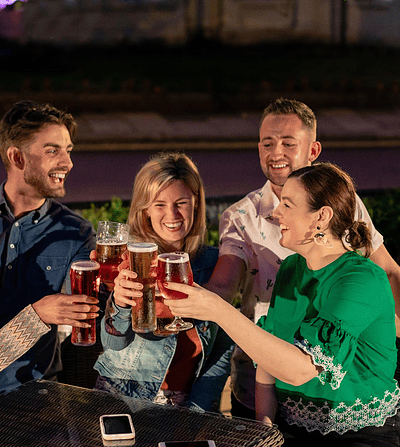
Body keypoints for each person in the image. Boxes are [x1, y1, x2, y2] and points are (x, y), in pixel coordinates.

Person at [166, 163, 400, 447]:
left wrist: (218, 310)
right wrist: (265, 434)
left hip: (365, 440)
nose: (276, 214)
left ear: (321, 218)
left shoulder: (361, 279)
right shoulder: (291, 269)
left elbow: (300, 368)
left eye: (287, 205)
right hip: (294, 435)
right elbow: (268, 365)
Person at [208, 97, 400, 417]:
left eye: (288, 143)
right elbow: (224, 285)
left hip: (331, 389)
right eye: (267, 143)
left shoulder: (344, 205)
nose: (275, 153)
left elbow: (386, 272)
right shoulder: (242, 218)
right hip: (260, 383)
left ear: (313, 151)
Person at [94, 152, 232, 411]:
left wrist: (198, 407)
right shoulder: (131, 259)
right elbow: (112, 344)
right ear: (144, 209)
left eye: (181, 202)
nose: (172, 214)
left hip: (188, 403)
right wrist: (120, 305)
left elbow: (223, 346)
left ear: (196, 205)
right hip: (125, 398)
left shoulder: (214, 262)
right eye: (159, 204)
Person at [0, 100, 96, 393]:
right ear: (17, 158)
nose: (67, 163)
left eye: (68, 151)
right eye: (53, 151)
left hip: (39, 399)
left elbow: (92, 327)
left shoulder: (77, 232)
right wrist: (37, 315)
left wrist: (118, 299)